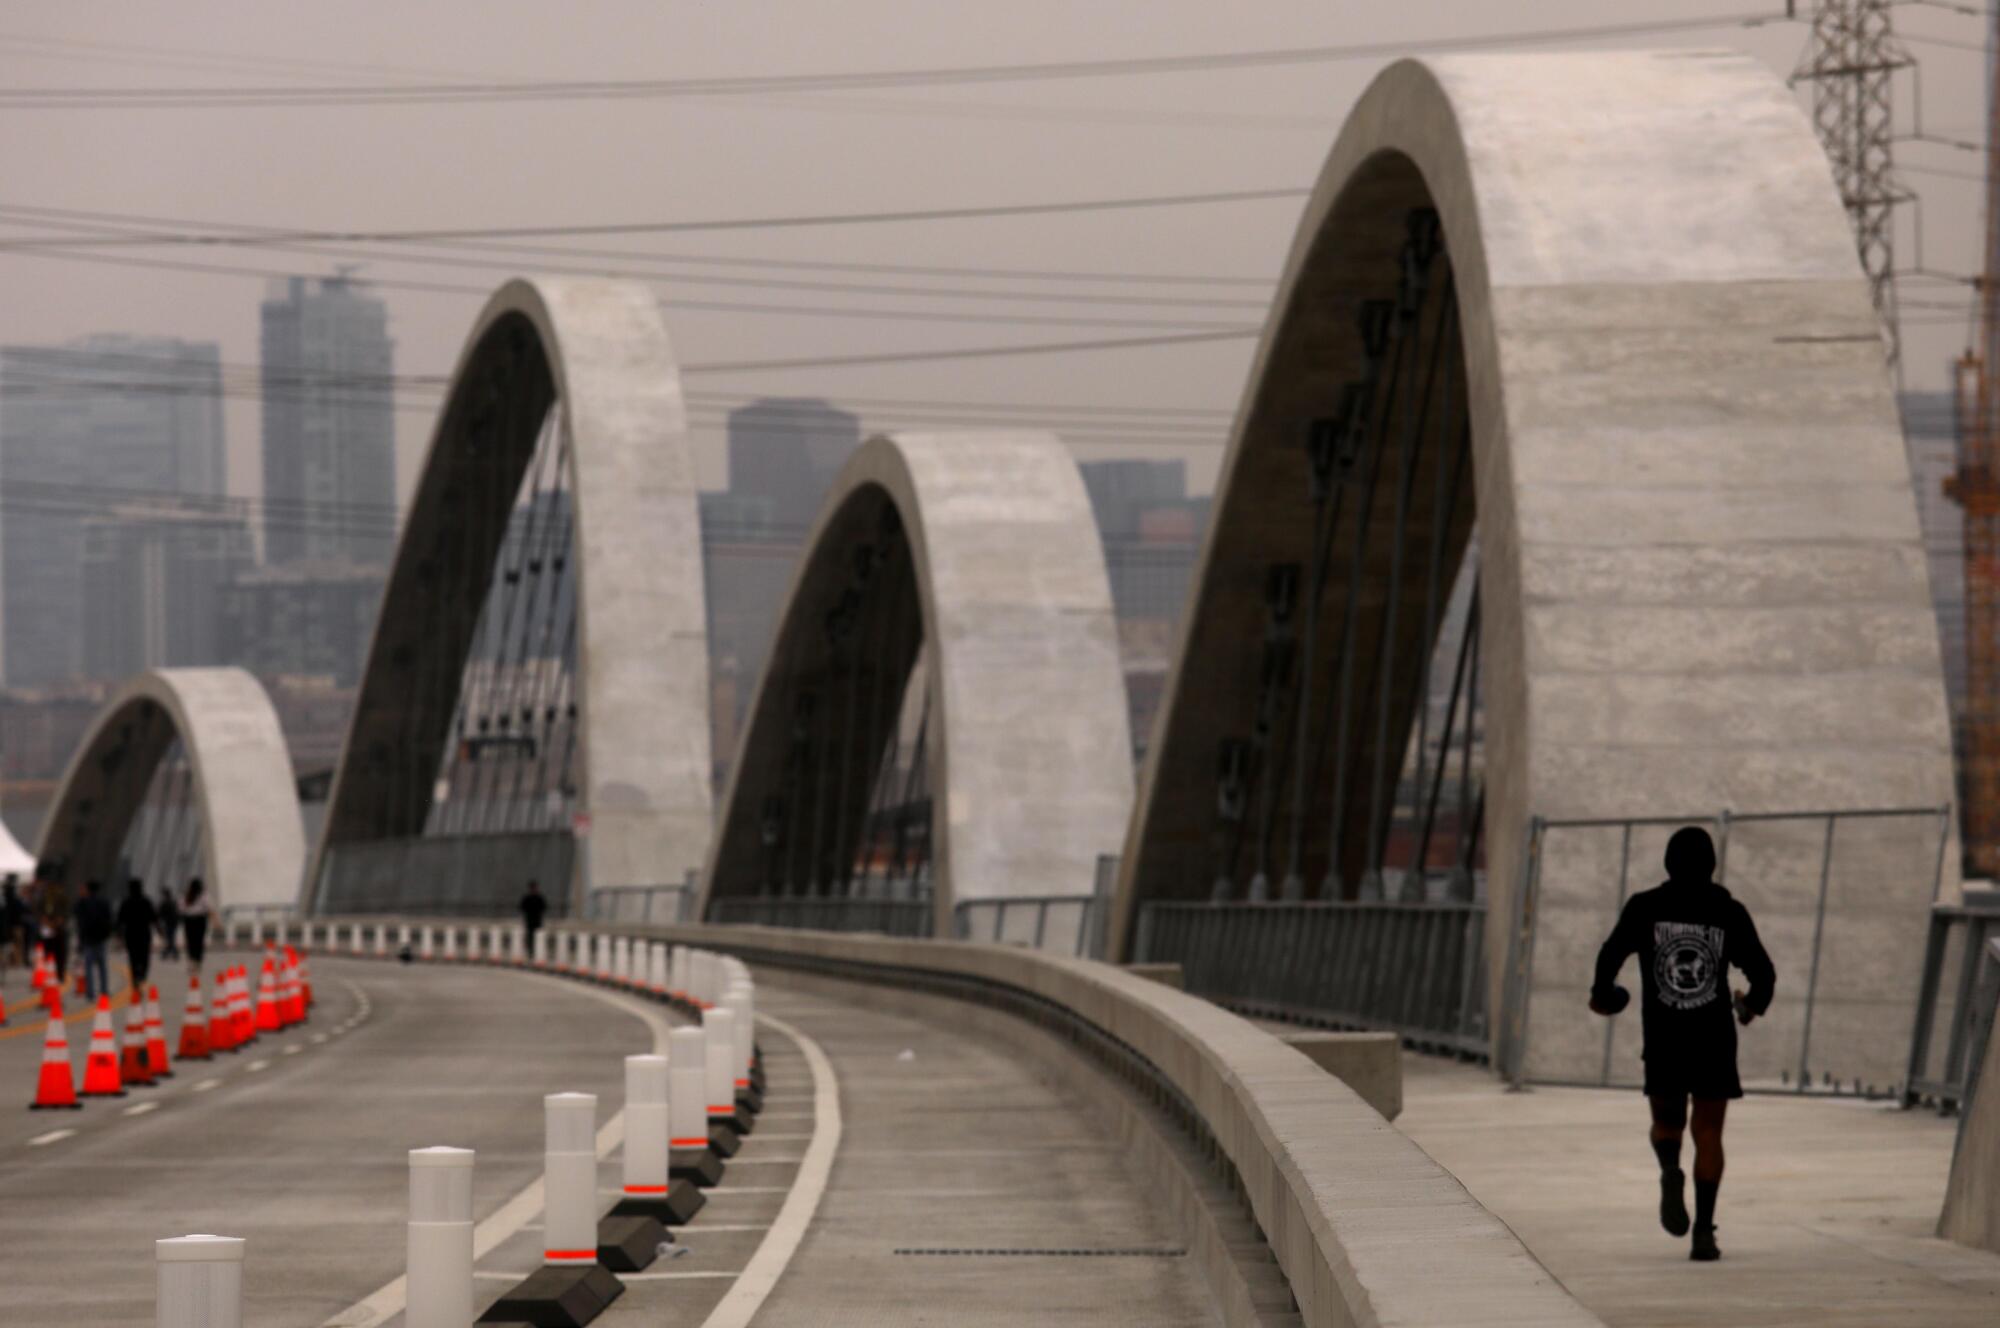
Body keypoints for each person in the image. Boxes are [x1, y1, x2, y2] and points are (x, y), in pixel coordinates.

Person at [1590, 826, 1776, 1263]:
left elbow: (1609, 955)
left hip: (1664, 1038)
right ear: (1711, 865)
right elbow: (1764, 975)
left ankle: (1670, 1170)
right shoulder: (1728, 911)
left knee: (1667, 1124)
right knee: (1709, 1132)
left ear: (1668, 864)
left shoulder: (1645, 908)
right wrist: (1749, 1007)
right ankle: (1704, 1234)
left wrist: (1605, 995)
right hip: (1713, 1040)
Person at [74, 879, 113, 1001]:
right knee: (102, 966)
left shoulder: (83, 903)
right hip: (101, 938)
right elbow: (110, 918)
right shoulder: (104, 902)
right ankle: (104, 990)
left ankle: (90, 992)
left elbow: (77, 917)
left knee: (88, 966)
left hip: (88, 938)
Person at [117, 879, 157, 989]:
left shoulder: (126, 902)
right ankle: (142, 975)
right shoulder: (146, 901)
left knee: (133, 958)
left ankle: (135, 979)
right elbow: (154, 918)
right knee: (144, 957)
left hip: (131, 935)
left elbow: (120, 920)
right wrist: (160, 930)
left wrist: (118, 935)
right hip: (144, 934)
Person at [35, 866, 70, 986]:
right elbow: (38, 910)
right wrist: (44, 919)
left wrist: (60, 920)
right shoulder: (44, 897)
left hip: (58, 927)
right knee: (47, 951)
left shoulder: (62, 896)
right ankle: (48, 974)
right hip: (47, 926)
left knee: (60, 953)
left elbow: (66, 911)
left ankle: (59, 975)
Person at [181, 878, 210, 972]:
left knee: (190, 941)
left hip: (189, 920)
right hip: (200, 920)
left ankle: (192, 962)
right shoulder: (203, 895)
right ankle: (197, 962)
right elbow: (208, 907)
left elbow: (181, 908)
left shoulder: (187, 895)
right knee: (199, 942)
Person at [0, 875, 22, 972]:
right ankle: (15, 962)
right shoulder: (12, 898)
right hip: (11, 925)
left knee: (11, 945)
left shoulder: (5, 899)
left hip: (8, 925)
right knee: (14, 944)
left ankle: (13, 962)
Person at [519, 879, 547, 953]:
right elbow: (522, 907)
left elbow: (544, 907)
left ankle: (537, 950)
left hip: (537, 920)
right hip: (530, 920)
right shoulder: (527, 898)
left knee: (538, 936)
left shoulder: (539, 898)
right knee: (530, 936)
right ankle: (531, 950)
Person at [157, 887, 181, 960]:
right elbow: (177, 912)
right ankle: (170, 953)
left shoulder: (164, 903)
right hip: (174, 923)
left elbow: (160, 914)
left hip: (168, 923)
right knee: (171, 938)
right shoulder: (173, 902)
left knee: (170, 939)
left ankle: (168, 953)